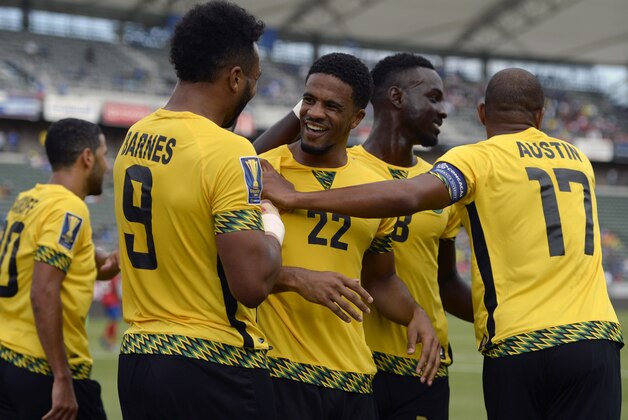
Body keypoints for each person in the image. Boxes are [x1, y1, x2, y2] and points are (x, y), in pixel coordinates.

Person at [262, 68, 623, 420]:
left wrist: (298, 198)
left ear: (482, 113)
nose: (444, 110)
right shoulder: (578, 159)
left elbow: (409, 202)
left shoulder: (474, 159)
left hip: (514, 343)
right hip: (594, 335)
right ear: (541, 116)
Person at [256, 53, 474, 420]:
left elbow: (381, 277)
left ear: (357, 119)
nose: (315, 113)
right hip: (277, 373)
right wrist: (297, 279)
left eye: (331, 106)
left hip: (354, 380)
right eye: (309, 100)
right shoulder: (262, 169)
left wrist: (414, 314)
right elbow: (229, 268)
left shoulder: (373, 188)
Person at [112, 2, 283, 419]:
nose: (254, 90)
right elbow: (252, 284)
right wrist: (273, 227)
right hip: (209, 364)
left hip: (138, 358)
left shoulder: (135, 136)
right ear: (235, 77)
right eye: (255, 80)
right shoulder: (228, 149)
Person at [0, 118, 119, 420]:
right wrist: (62, 378)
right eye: (104, 155)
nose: (106, 166)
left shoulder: (29, 200)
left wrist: (118, 260)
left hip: (6, 358)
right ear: (87, 157)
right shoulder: (70, 208)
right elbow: (43, 291)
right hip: (41, 370)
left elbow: (93, 263)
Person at [99, 273, 122, 352]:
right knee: (115, 321)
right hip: (112, 301)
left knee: (112, 321)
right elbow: (115, 288)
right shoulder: (114, 275)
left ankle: (105, 337)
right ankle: (110, 342)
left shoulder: (107, 275)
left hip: (106, 300)